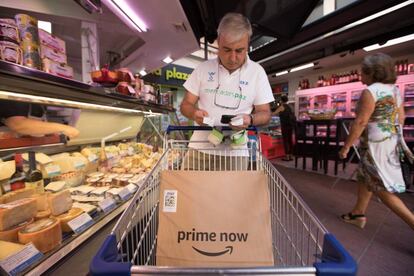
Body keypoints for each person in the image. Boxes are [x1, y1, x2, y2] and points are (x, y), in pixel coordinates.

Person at [180, 12, 274, 170]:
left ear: (248, 43)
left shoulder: (257, 73)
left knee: (231, 195)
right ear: (218, 42)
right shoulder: (203, 69)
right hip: (199, 149)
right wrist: (193, 113)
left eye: (239, 50)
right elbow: (186, 105)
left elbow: (265, 114)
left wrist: (250, 119)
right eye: (226, 49)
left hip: (235, 154)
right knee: (188, 193)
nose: (232, 58)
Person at [339, 53, 414, 230]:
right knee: (366, 177)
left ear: (372, 72)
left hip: (374, 146)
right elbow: (401, 118)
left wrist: (347, 146)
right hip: (389, 143)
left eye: (363, 72)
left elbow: (361, 122)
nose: (360, 76)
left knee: (381, 188)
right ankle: (358, 213)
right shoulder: (394, 90)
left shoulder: (370, 92)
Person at [0, 100, 79, 139]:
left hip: (31, 148)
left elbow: (38, 126)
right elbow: (18, 124)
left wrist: (51, 133)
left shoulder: (38, 100)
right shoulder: (15, 96)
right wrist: (63, 128)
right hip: (8, 152)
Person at [272, 95, 295, 161]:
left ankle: (287, 156)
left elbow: (273, 113)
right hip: (291, 126)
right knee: (290, 140)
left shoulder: (282, 107)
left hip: (285, 126)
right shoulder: (290, 107)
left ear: (281, 101)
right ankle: (291, 156)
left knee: (286, 141)